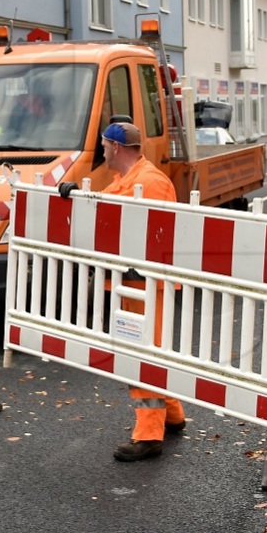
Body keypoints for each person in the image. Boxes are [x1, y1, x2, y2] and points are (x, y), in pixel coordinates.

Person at [97, 121, 187, 462]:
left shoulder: (149, 182)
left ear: (116, 147)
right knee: (146, 352)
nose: (102, 151)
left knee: (143, 355)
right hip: (133, 284)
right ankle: (173, 415)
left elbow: (157, 234)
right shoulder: (126, 180)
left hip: (146, 284)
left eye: (105, 145)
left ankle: (149, 435)